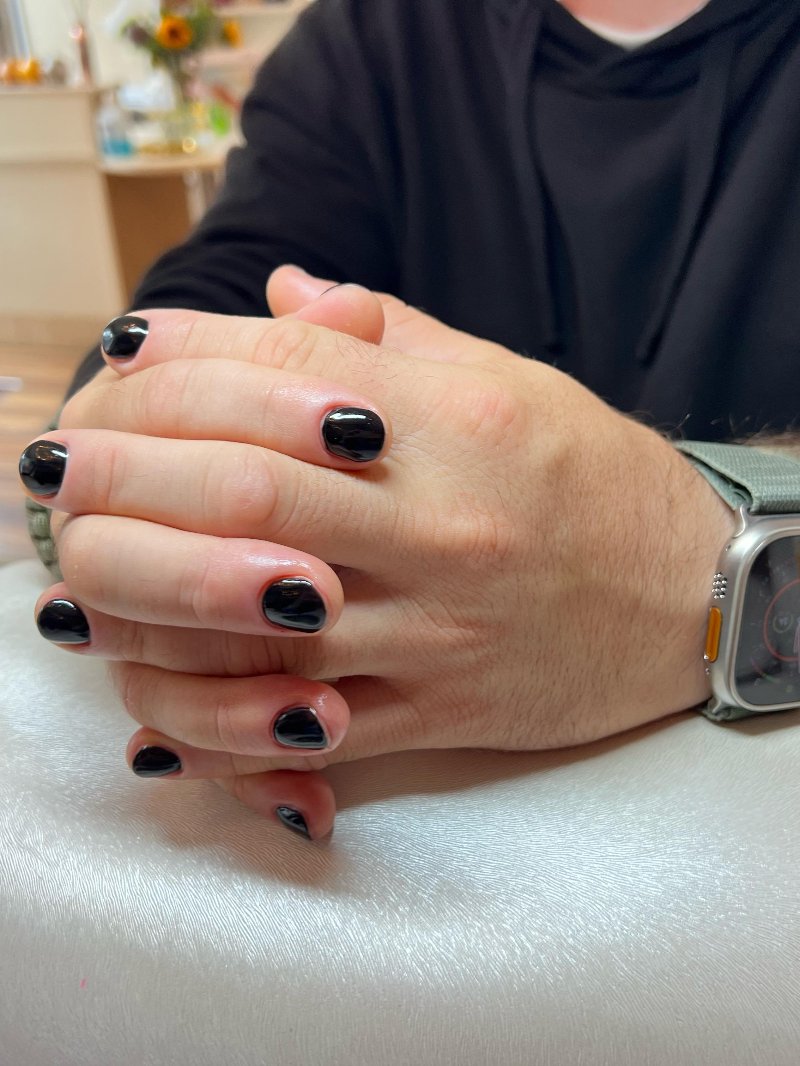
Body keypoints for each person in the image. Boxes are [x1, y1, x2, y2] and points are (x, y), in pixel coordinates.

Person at [18, 0, 800, 839]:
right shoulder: (371, 34)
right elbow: (223, 280)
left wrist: (682, 550)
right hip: (426, 837)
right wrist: (155, 477)